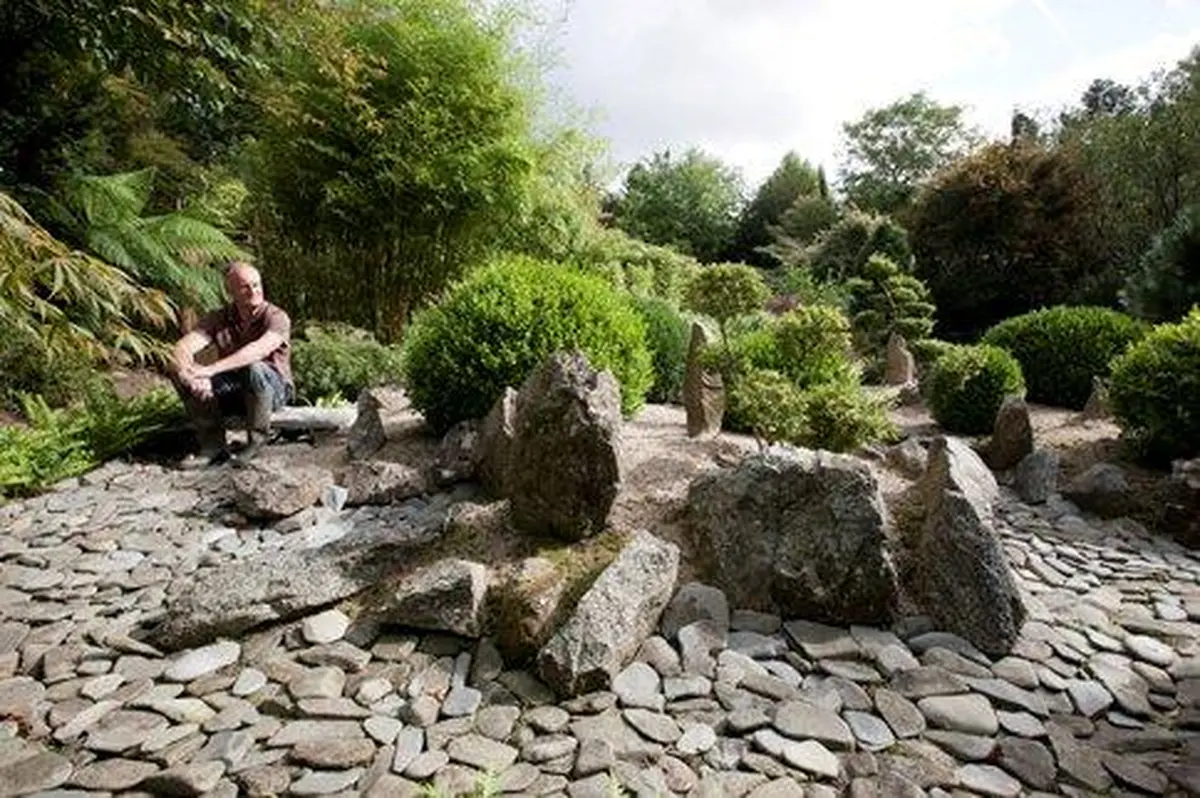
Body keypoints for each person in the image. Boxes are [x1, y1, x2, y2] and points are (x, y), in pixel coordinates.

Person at [171, 261, 293, 468]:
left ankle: (256, 443)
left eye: (256, 285)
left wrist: (210, 371)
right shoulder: (218, 318)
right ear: (231, 292)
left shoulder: (276, 317)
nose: (254, 291)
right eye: (245, 287)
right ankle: (213, 447)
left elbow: (257, 351)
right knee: (178, 371)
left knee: (255, 368)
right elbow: (182, 348)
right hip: (235, 388)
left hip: (272, 389)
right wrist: (190, 376)